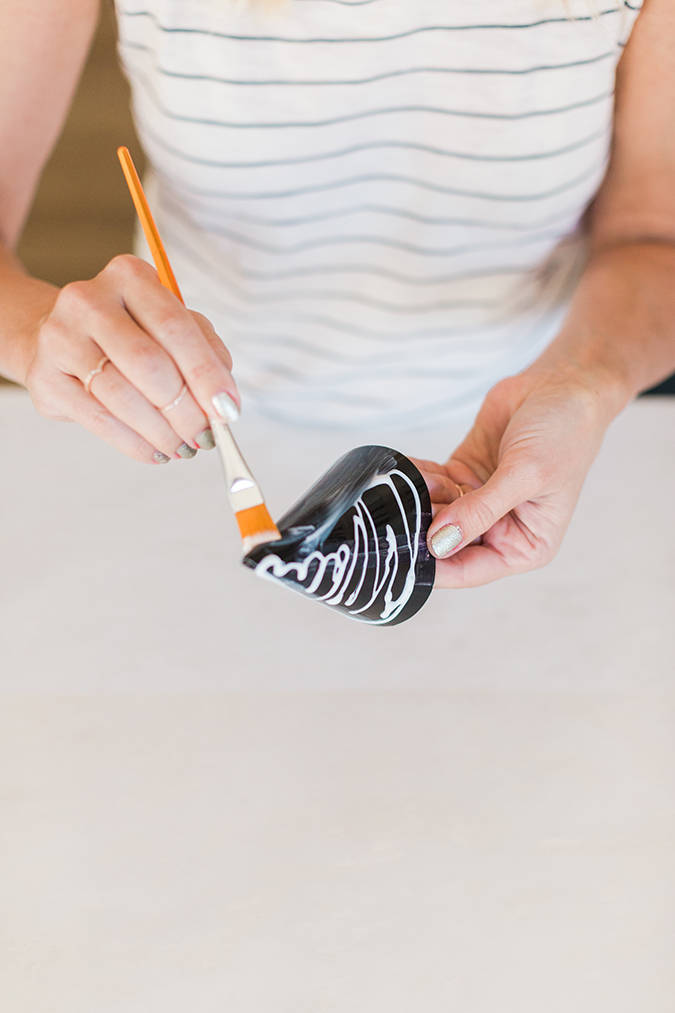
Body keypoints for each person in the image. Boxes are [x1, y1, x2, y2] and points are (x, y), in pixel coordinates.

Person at [1, 0, 674, 589]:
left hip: (541, 462)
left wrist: (583, 382)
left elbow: (653, 236)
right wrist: (34, 333)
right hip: (163, 435)